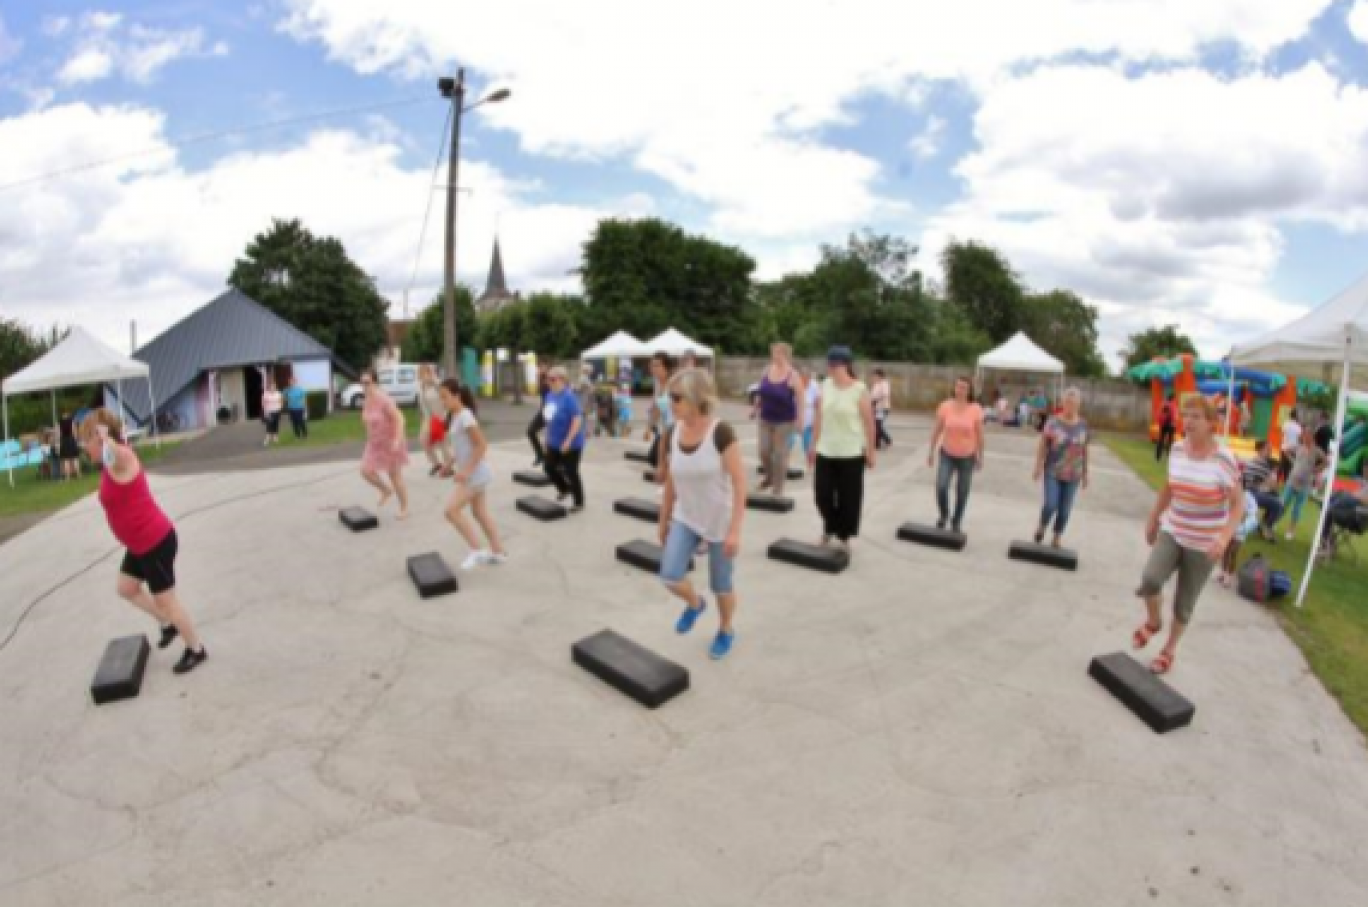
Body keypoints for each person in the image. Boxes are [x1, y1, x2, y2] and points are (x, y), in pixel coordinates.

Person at [81, 409, 207, 674]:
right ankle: (167, 623)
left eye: (86, 440)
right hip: (139, 546)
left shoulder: (121, 458)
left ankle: (196, 649)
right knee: (126, 588)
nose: (83, 446)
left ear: (100, 438)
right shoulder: (109, 462)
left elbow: (116, 452)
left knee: (167, 602)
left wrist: (106, 438)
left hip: (155, 543)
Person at [1132, 395, 1243, 675]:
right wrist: (1154, 518)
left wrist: (1223, 538)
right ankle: (1153, 621)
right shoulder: (1178, 449)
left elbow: (1238, 505)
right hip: (1174, 529)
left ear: (1211, 423)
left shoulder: (1224, 460)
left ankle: (1168, 650)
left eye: (1196, 417)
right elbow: (1169, 487)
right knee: (1150, 579)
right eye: (1186, 415)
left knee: (1184, 603)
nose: (1188, 421)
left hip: (1204, 543)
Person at [657, 369, 747, 661]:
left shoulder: (721, 433)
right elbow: (671, 480)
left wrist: (735, 530)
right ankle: (696, 605)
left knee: (722, 585)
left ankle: (726, 629)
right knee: (670, 575)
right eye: (670, 397)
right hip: (686, 516)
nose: (671, 402)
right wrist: (664, 519)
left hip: (718, 519)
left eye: (677, 397)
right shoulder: (672, 433)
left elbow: (740, 483)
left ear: (696, 399)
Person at [808, 346, 876, 557]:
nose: (829, 368)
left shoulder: (859, 389)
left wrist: (871, 451)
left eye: (833, 365)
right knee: (822, 495)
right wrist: (812, 444)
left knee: (849, 499)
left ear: (845, 365)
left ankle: (842, 535)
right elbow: (819, 417)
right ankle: (832, 525)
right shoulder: (825, 385)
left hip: (851, 452)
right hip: (826, 450)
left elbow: (869, 423)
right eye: (829, 364)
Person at [438, 378, 508, 570]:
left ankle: (476, 550)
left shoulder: (466, 416)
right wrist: (449, 464)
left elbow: (481, 445)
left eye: (445, 397)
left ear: (456, 396)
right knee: (479, 513)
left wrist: (466, 471)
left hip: (475, 474)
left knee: (450, 510)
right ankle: (498, 552)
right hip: (474, 473)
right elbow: (461, 447)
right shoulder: (455, 416)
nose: (442, 402)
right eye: (441, 398)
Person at [1032, 387, 1089, 548]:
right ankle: (1042, 526)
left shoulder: (1083, 425)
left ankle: (1057, 536)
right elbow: (1043, 444)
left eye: (1074, 402)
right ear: (1062, 403)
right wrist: (1038, 466)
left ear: (1079, 404)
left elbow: (1085, 449)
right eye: (1067, 402)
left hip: (1074, 474)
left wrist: (1086, 473)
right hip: (1053, 471)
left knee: (1065, 510)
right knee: (1051, 504)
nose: (1070, 405)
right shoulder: (1053, 422)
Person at [928, 377, 985, 534]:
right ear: (954, 388)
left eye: (964, 388)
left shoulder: (975, 409)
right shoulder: (945, 406)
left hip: (967, 456)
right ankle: (944, 514)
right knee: (941, 486)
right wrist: (931, 451)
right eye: (958, 387)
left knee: (962, 491)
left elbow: (980, 435)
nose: (960, 390)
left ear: (969, 391)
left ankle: (957, 520)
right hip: (947, 453)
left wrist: (980, 455)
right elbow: (937, 429)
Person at [358, 368, 410, 520]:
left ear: (375, 382)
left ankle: (404, 508)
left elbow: (400, 419)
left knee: (394, 475)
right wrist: (370, 436)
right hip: (374, 443)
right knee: (365, 471)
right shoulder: (367, 400)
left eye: (367, 382)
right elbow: (368, 421)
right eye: (362, 383)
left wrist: (396, 440)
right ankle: (385, 490)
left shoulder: (385, 400)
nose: (364, 386)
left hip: (391, 441)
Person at [755, 342, 802, 497]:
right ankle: (769, 477)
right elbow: (761, 390)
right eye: (773, 353)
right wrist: (756, 405)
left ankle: (778, 490)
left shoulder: (793, 375)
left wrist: (800, 419)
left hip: (785, 419)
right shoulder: (766, 370)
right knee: (764, 450)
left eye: (777, 353)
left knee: (779, 454)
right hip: (766, 417)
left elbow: (801, 399)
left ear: (786, 355)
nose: (774, 356)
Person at [542, 366, 587, 512]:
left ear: (562, 380)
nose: (549, 381)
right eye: (547, 379)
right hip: (554, 441)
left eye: (552, 379)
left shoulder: (569, 397)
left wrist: (568, 440)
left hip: (571, 443)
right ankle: (564, 488)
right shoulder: (549, 395)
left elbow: (576, 420)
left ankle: (579, 502)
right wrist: (545, 439)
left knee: (571, 471)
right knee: (548, 467)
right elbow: (548, 419)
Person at [1278, 429, 1327, 540]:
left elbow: (1326, 461)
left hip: (1306, 483)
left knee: (1297, 508)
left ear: (1312, 437)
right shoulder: (1299, 447)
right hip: (1292, 481)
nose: (1305, 438)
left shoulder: (1317, 450)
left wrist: (1316, 469)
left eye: (1307, 436)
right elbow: (1285, 450)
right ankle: (1273, 522)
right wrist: (1293, 462)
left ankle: (1291, 530)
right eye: (1303, 436)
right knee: (1283, 503)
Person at [1241, 440, 1284, 542]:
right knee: (1278, 503)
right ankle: (1266, 527)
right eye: (1268, 449)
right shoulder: (1262, 464)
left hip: (1247, 492)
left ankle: (1263, 526)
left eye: (1270, 449)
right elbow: (1273, 485)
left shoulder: (1253, 460)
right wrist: (1273, 473)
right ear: (1260, 450)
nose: (1270, 451)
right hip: (1250, 494)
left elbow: (1263, 483)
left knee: (1275, 499)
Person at [1218, 489, 1261, 588]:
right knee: (1225, 551)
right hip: (1229, 526)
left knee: (1233, 552)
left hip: (1240, 529)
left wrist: (1244, 525)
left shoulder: (1249, 497)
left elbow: (1253, 514)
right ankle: (1223, 572)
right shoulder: (1230, 492)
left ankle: (1229, 575)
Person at [417, 364, 453, 478]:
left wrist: (433, 381)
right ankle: (436, 463)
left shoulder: (438, 384)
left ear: (430, 372)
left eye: (425, 373)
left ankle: (448, 467)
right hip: (430, 418)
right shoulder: (421, 387)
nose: (423, 376)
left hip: (442, 416)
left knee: (443, 443)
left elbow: (446, 397)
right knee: (423, 439)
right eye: (421, 373)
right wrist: (424, 417)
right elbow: (422, 404)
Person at [644, 352, 676, 474]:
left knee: (659, 458)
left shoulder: (674, 383)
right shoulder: (657, 384)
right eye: (652, 365)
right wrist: (648, 427)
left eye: (657, 365)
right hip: (666, 429)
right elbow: (656, 407)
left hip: (676, 428)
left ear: (666, 367)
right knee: (654, 458)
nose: (653, 369)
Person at [527, 361, 552, 468]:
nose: (540, 369)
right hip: (544, 409)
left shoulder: (551, 378)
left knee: (552, 435)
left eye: (542, 367)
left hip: (551, 409)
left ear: (547, 367)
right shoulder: (541, 379)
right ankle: (540, 454)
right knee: (531, 431)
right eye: (539, 367)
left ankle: (556, 461)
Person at [870, 369, 893, 450]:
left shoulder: (884, 384)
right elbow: (872, 395)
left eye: (874, 375)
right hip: (875, 407)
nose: (873, 377)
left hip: (882, 408)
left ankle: (887, 440)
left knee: (878, 426)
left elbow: (885, 394)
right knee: (876, 425)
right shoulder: (876, 384)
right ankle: (876, 443)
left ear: (879, 376)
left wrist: (876, 400)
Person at [1279, 409, 1302, 485]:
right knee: (1290, 465)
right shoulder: (1298, 426)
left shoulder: (1286, 424)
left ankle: (1278, 479)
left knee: (1282, 464)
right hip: (1293, 448)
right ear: (1296, 416)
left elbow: (1283, 433)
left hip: (1284, 447)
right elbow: (1299, 438)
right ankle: (1286, 481)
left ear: (1290, 416)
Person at [58, 409, 81, 480]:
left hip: (64, 441)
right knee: (75, 458)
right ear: (68, 414)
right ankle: (78, 475)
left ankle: (67, 477)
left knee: (66, 460)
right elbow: (74, 432)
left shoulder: (59, 423)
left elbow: (59, 434)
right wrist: (76, 440)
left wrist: (59, 441)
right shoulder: (72, 422)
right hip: (71, 440)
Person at [575, 364, 596, 437]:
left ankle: (584, 431)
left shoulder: (585, 378)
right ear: (587, 371)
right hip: (583, 399)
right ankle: (582, 431)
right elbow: (578, 388)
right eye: (590, 370)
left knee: (585, 415)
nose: (591, 371)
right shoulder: (583, 378)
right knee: (583, 415)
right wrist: (590, 388)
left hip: (585, 398)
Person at [284, 375, 308, 439]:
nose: (291, 383)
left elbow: (304, 399)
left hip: (299, 408)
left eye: (293, 381)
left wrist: (305, 408)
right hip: (291, 408)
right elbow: (284, 399)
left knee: (300, 421)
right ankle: (297, 435)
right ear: (289, 382)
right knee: (294, 422)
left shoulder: (300, 389)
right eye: (290, 382)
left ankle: (305, 434)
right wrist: (287, 400)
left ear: (295, 382)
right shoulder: (286, 390)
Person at [261, 379, 283, 447]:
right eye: (271, 387)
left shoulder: (278, 393)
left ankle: (275, 437)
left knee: (276, 424)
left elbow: (281, 402)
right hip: (269, 412)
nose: (272, 388)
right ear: (269, 387)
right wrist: (265, 412)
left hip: (277, 411)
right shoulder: (265, 394)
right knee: (269, 425)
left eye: (274, 387)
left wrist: (280, 408)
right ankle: (267, 439)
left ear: (275, 387)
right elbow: (263, 403)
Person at [1155, 393, 1176, 462]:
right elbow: (1173, 415)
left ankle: (1158, 456)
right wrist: (1173, 423)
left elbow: (1159, 415)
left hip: (1163, 425)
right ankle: (1169, 456)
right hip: (1170, 425)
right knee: (1170, 441)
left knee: (1161, 440)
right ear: (1173, 398)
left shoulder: (1163, 404)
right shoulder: (1172, 405)